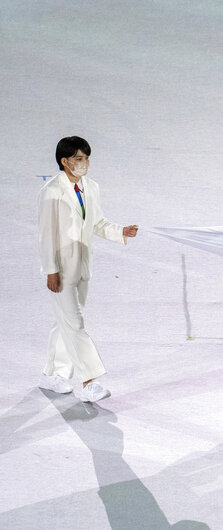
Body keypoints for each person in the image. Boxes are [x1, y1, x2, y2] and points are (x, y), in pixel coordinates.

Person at [38, 136, 139, 403]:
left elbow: (97, 222)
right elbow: (46, 235)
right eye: (79, 159)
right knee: (75, 324)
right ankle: (89, 382)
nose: (85, 164)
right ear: (65, 161)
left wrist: (121, 232)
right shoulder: (52, 192)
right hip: (60, 270)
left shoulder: (91, 188)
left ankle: (53, 374)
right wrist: (50, 270)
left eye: (86, 158)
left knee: (66, 321)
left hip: (82, 267)